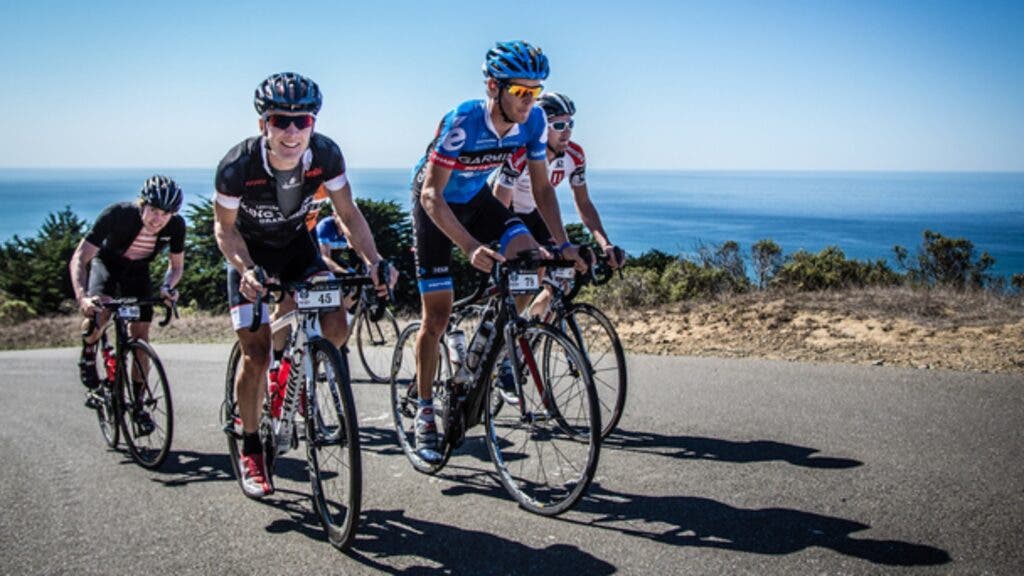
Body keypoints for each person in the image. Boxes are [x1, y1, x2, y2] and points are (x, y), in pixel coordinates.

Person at [214, 72, 395, 498]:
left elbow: (349, 215)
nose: (292, 131)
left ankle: (297, 370)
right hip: (251, 254)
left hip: (298, 248)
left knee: (334, 323)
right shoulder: (237, 166)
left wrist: (373, 261)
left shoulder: (326, 155)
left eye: (303, 120)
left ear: (313, 123)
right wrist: (245, 269)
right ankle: (252, 448)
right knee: (255, 355)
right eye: (281, 120)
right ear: (264, 125)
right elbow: (223, 231)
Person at [410, 41, 582, 463]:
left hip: (478, 201)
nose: (530, 101)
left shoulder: (535, 121)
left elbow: (542, 188)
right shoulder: (464, 119)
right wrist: (468, 246)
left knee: (531, 258)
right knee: (436, 316)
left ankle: (503, 349)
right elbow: (432, 194)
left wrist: (560, 244)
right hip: (437, 206)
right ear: (494, 86)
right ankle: (424, 409)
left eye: (535, 92)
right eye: (520, 92)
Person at [69, 175, 185, 432]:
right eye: (153, 210)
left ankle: (138, 404)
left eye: (165, 214)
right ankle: (88, 352)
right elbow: (80, 257)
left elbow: (176, 267)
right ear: (142, 204)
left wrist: (167, 287)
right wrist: (83, 297)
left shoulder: (176, 226)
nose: (157, 219)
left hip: (138, 271)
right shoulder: (118, 214)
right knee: (99, 316)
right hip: (107, 265)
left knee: (141, 339)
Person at [491, 92, 624, 317]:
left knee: (565, 276)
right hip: (507, 213)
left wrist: (605, 244)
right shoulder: (520, 152)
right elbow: (499, 202)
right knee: (531, 276)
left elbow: (583, 203)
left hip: (536, 215)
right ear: (542, 126)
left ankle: (532, 333)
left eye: (570, 124)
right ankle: (505, 332)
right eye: (559, 125)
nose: (567, 132)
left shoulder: (575, 155)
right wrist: (514, 242)